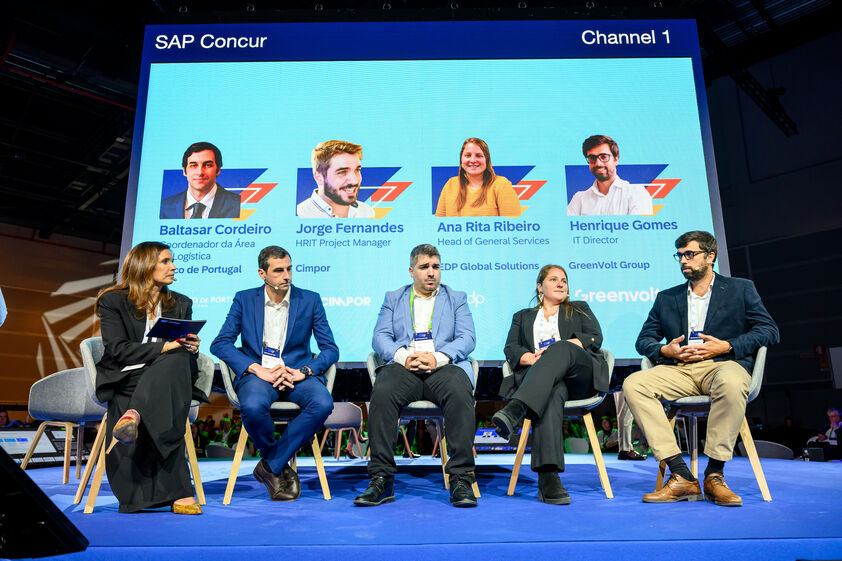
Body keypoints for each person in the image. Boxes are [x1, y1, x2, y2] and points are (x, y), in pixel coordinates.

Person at [624, 230, 779, 506]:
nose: (684, 260)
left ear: (710, 256)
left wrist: (727, 346)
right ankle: (681, 474)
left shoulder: (740, 288)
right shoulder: (666, 298)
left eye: (690, 254)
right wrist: (664, 350)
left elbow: (768, 330)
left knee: (732, 382)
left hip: (722, 365)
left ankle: (714, 474)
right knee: (634, 384)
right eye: (680, 255)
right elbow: (643, 339)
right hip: (679, 370)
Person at [355, 244, 478, 507]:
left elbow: (467, 338)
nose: (431, 272)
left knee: (460, 392)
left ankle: (461, 479)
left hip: (443, 366)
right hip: (404, 367)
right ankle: (382, 479)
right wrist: (403, 357)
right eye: (424, 267)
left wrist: (438, 358)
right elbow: (380, 337)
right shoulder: (394, 297)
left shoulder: (456, 297)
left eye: (435, 267)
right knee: (383, 392)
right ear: (412, 271)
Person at [210, 245, 337, 501]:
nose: (286, 275)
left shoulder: (309, 299)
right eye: (278, 270)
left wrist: (304, 371)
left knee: (323, 403)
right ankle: (276, 463)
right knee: (253, 406)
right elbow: (220, 343)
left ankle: (270, 465)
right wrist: (257, 369)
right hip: (259, 375)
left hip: (295, 375)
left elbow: (330, 350)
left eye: (289, 269)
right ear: (262, 273)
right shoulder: (244, 299)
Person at [94, 241, 202, 514]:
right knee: (168, 378)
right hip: (128, 374)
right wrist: (164, 347)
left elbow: (182, 353)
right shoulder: (113, 300)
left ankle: (134, 414)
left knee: (177, 359)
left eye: (171, 261)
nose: (173, 266)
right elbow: (116, 349)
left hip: (172, 373)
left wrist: (191, 346)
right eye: (165, 261)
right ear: (144, 265)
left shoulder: (181, 302)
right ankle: (180, 492)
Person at [493, 265, 609, 504]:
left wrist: (557, 349)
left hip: (579, 377)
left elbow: (594, 336)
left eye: (564, 280)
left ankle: (515, 410)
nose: (560, 284)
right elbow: (511, 348)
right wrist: (529, 358)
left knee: (560, 347)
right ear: (540, 287)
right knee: (552, 392)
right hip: (543, 382)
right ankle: (548, 477)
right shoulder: (522, 316)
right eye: (554, 279)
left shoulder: (579, 308)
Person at [566, 135, 653, 216]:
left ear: (616, 159)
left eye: (604, 157)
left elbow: (638, 232)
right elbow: (567, 230)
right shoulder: (579, 199)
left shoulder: (636, 193)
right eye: (592, 158)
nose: (598, 163)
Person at [435, 138, 521, 217]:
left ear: (486, 160)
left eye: (479, 155)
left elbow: (512, 226)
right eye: (468, 155)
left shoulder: (501, 185)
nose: (472, 160)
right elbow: (437, 226)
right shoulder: (450, 184)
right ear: (461, 159)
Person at [160, 142, 241, 219]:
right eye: (193, 165)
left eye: (208, 165)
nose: (200, 172)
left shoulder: (238, 204)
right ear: (184, 171)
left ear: (218, 170)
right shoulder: (164, 207)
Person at [297, 140, 375, 218]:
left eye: (357, 170)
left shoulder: (367, 211)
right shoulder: (301, 214)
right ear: (319, 177)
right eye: (342, 172)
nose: (354, 180)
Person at [614, 391, 647, 460]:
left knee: (626, 415)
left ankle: (626, 449)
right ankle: (625, 450)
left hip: (623, 383)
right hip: (624, 382)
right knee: (626, 415)